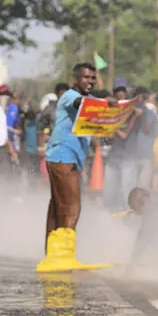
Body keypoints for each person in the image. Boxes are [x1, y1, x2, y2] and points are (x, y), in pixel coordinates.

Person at [36, 63, 117, 272]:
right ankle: (63, 255)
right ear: (75, 79)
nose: (89, 81)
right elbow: (79, 102)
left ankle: (52, 255)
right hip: (63, 156)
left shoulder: (85, 101)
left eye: (92, 78)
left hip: (65, 157)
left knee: (58, 206)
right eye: (85, 77)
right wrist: (101, 101)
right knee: (71, 207)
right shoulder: (70, 96)